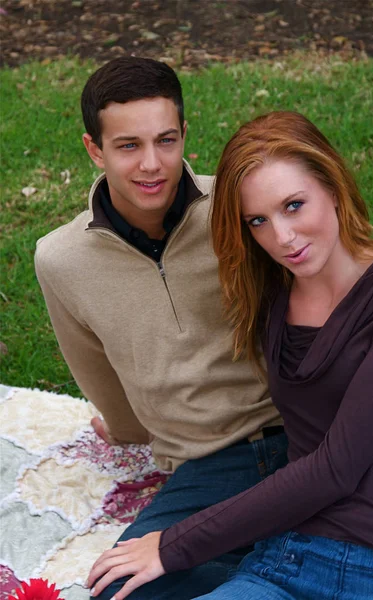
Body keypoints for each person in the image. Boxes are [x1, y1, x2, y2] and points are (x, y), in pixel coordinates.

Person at [88, 111, 373, 600]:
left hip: (370, 563)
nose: (283, 238)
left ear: (334, 187)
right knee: (120, 587)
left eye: (294, 206)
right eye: (259, 220)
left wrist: (174, 545)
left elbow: (336, 466)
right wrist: (127, 421)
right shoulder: (275, 295)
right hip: (282, 551)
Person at [34, 58, 289, 600]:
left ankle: (282, 565)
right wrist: (124, 428)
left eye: (166, 140)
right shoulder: (60, 259)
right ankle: (280, 569)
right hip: (207, 468)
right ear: (94, 150)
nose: (152, 164)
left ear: (184, 136)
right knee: (119, 589)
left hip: (302, 435)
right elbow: (97, 371)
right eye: (128, 146)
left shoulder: (241, 206)